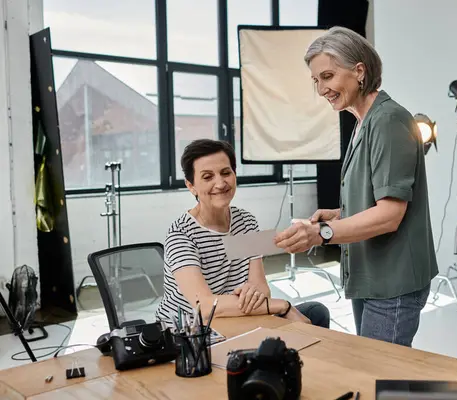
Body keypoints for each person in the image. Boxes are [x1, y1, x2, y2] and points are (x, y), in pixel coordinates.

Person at [273, 26, 438, 347]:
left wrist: (321, 233)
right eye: (316, 81)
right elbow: (377, 197)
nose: (321, 89)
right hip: (371, 276)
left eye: (328, 76)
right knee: (372, 371)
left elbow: (390, 215)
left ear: (359, 71)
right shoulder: (364, 121)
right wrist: (338, 215)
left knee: (381, 380)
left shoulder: (388, 120)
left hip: (393, 282)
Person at [155, 139, 330, 329]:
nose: (220, 183)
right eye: (207, 177)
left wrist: (254, 294)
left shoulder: (246, 222)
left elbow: (262, 290)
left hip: (239, 318)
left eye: (225, 173)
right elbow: (204, 306)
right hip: (192, 334)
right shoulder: (180, 235)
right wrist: (284, 306)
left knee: (317, 312)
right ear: (191, 186)